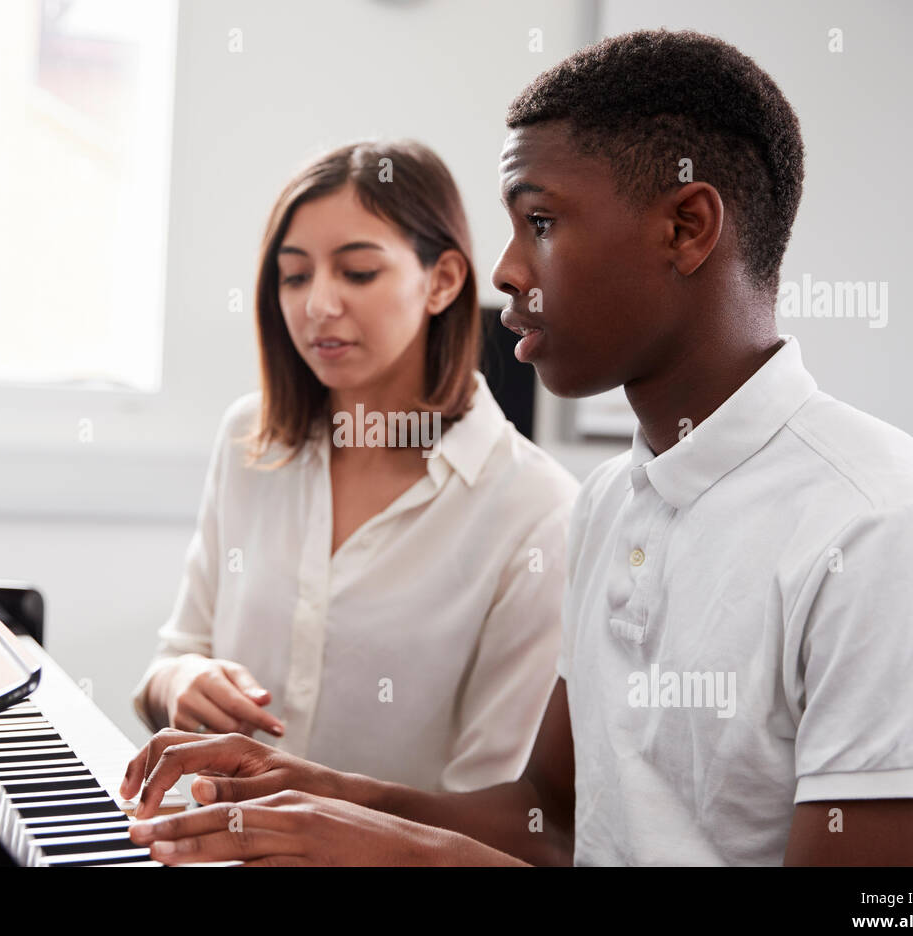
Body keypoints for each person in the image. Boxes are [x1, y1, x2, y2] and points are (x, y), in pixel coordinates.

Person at [120, 29, 913, 866]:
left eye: (540, 223)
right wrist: (317, 792)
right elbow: (550, 817)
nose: (507, 270)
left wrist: (391, 852)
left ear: (686, 228)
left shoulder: (884, 537)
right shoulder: (614, 503)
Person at [130, 139, 580, 794]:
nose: (317, 305)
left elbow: (491, 816)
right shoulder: (249, 442)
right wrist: (182, 683)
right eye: (294, 276)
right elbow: (169, 662)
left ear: (444, 280)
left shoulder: (536, 512)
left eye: (358, 272)